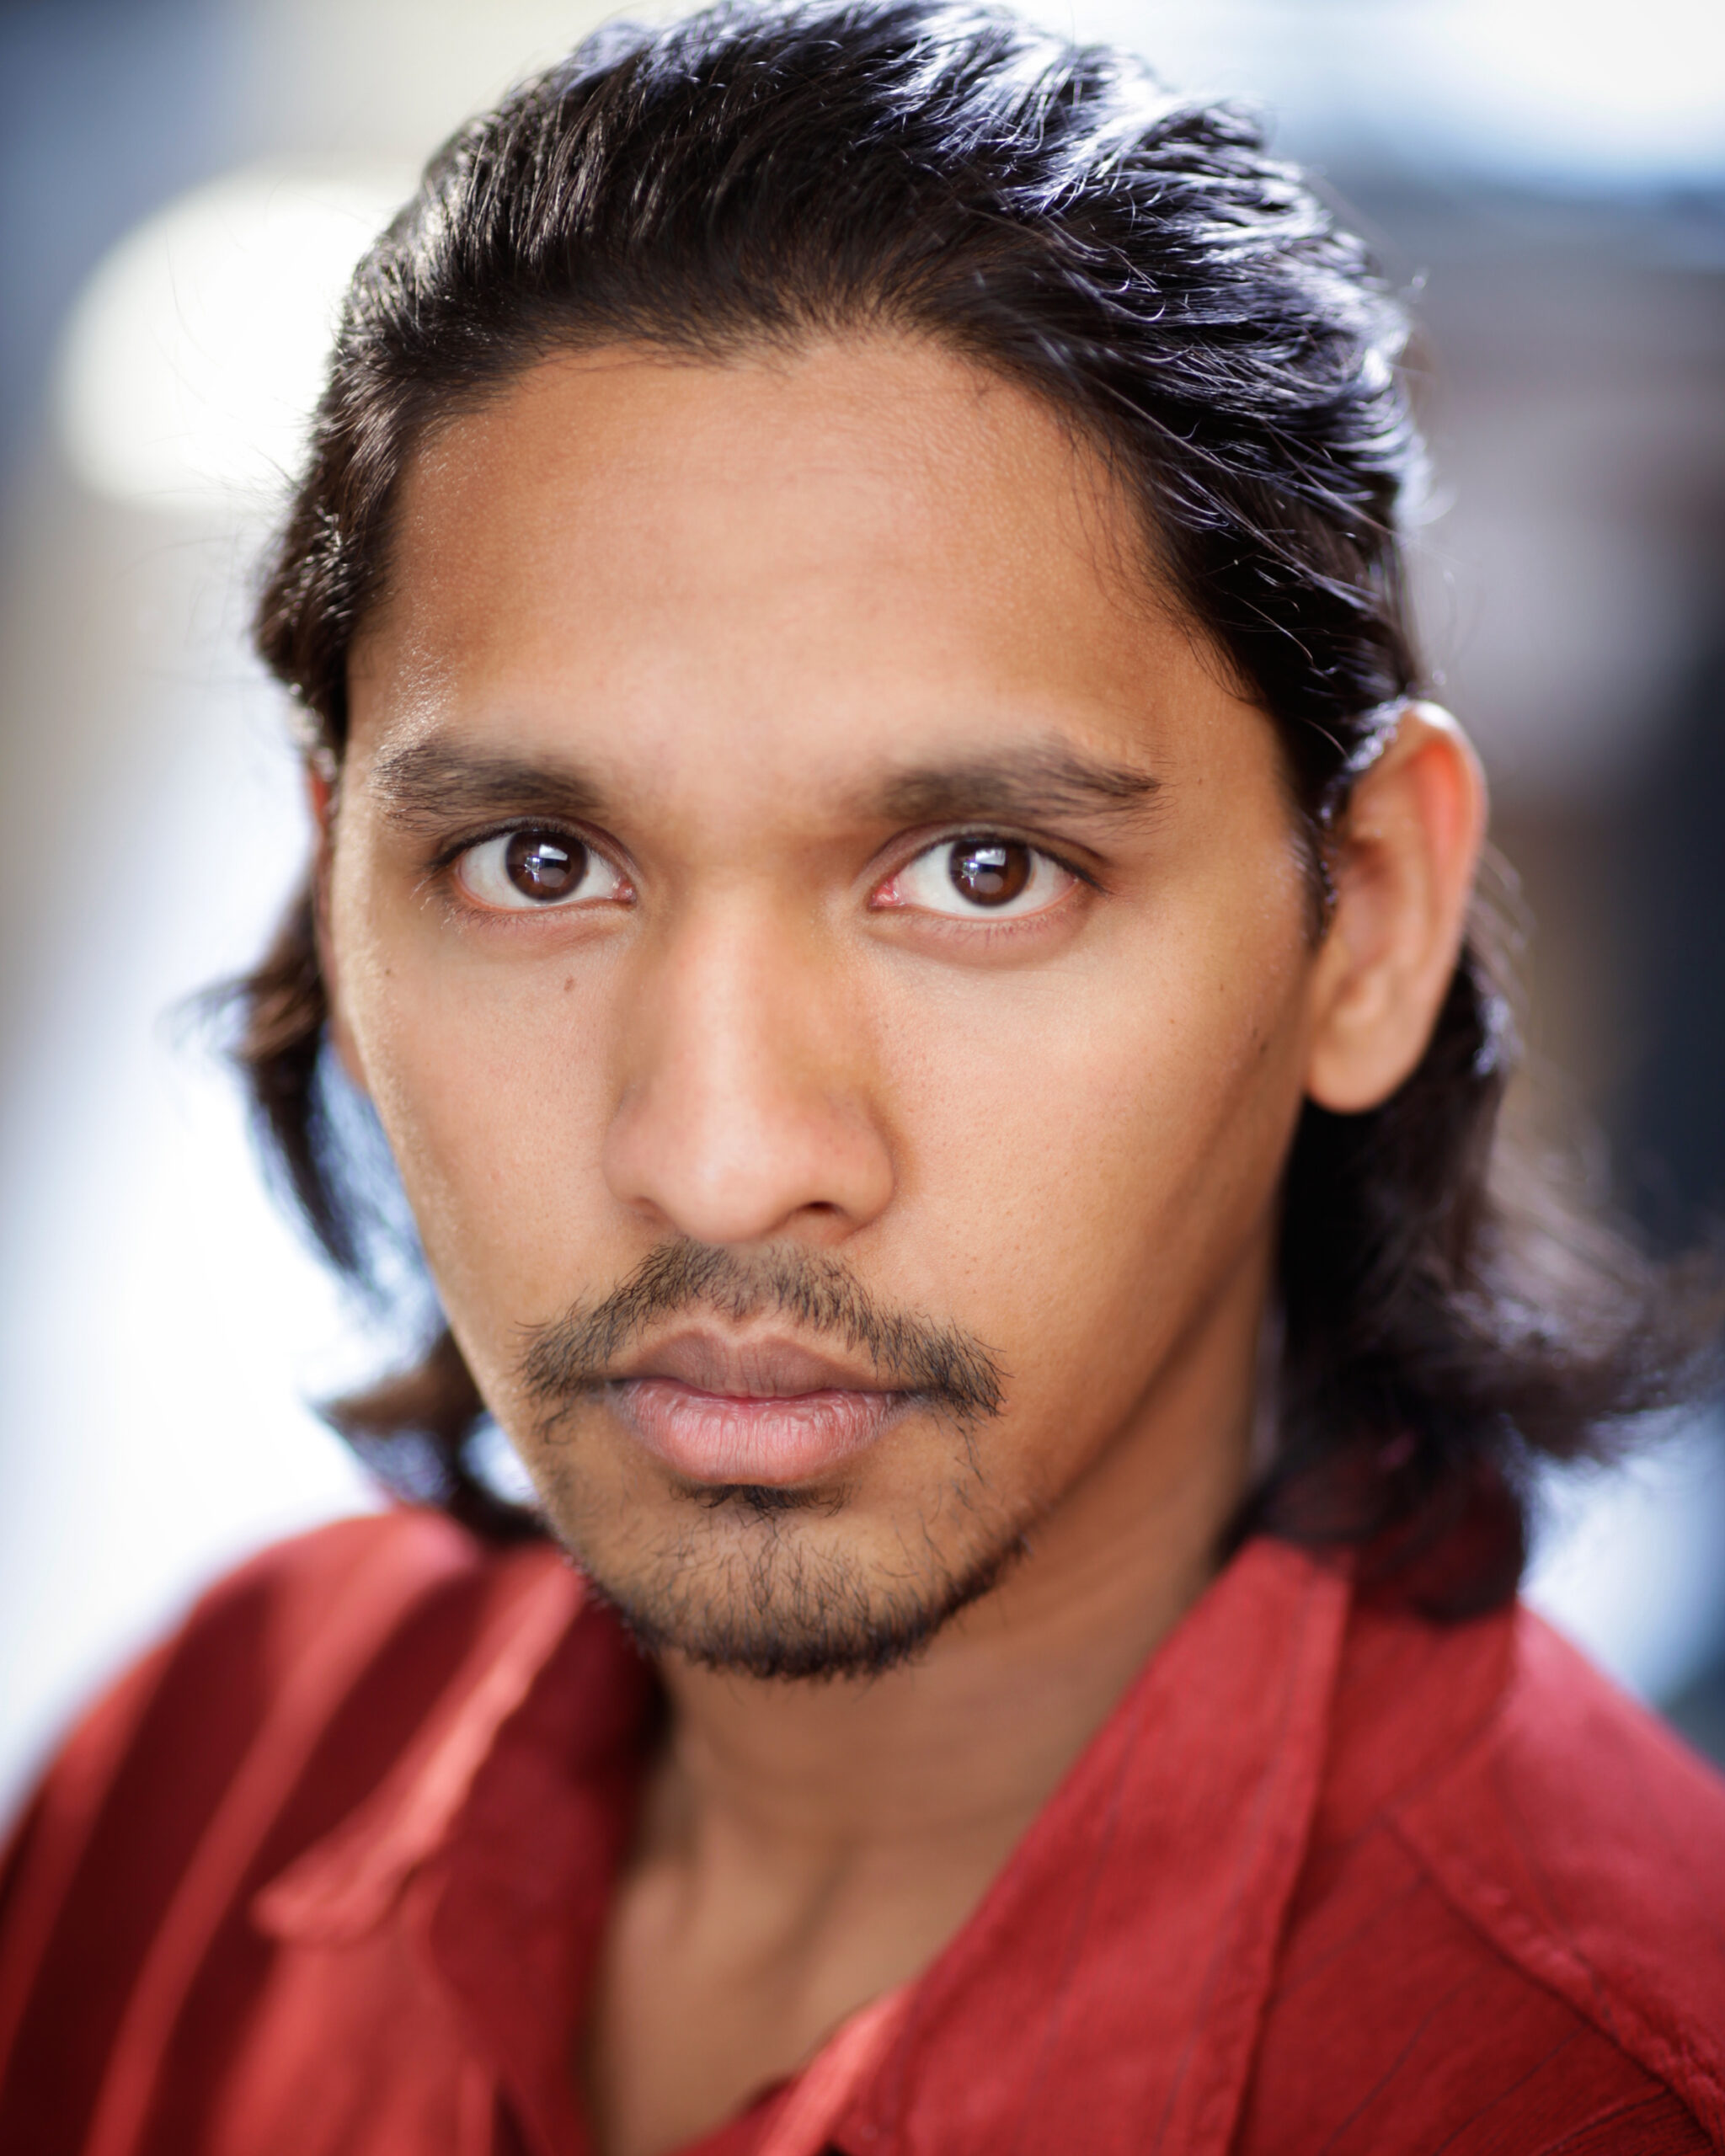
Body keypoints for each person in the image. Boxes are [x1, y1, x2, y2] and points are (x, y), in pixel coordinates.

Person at [3, 4, 1723, 2150]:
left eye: (981, 872)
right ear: (335, 879)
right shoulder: (201, 1780)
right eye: (540, 863)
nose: (720, 1156)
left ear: (1364, 918)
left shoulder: (1599, 2082)